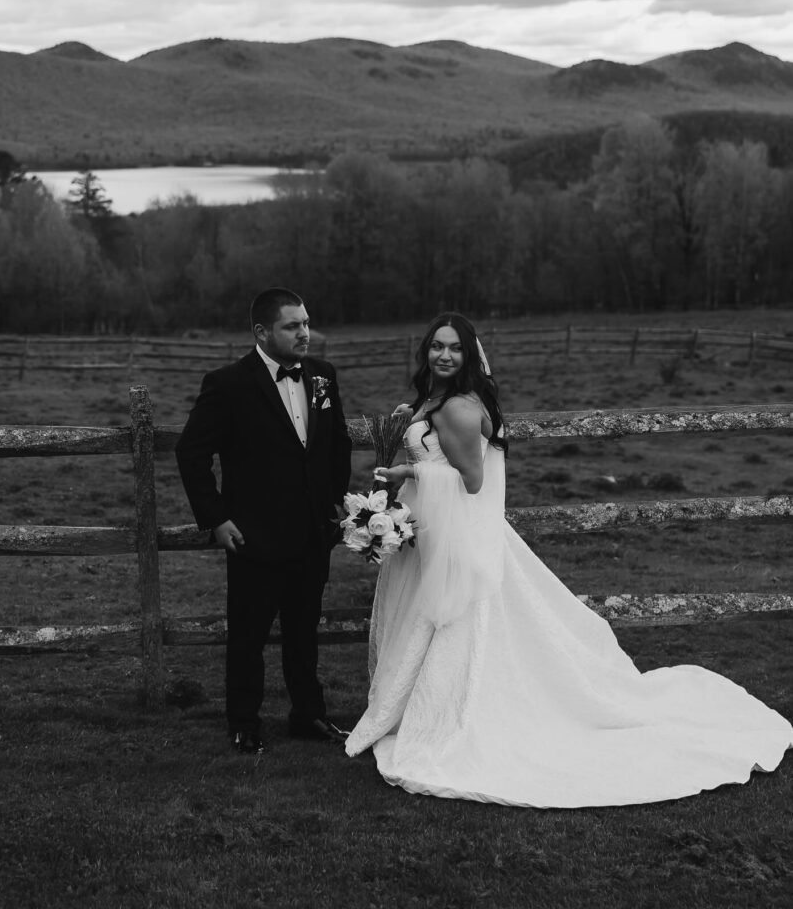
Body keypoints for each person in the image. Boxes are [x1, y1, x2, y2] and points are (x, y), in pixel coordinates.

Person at [345, 312, 793, 807]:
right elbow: (439, 454)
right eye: (437, 346)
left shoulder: (459, 408)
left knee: (460, 627)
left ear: (469, 355)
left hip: (455, 538)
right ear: (425, 350)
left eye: (455, 348)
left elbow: (471, 481)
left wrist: (409, 470)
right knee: (429, 624)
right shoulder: (433, 401)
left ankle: (460, 715)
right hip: (432, 532)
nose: (444, 355)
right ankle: (418, 708)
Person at [176, 288, 352, 754]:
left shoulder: (323, 376)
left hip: (312, 533)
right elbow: (191, 452)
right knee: (248, 635)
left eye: (306, 323)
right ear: (261, 332)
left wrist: (335, 505)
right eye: (292, 326)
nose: (304, 333)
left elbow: (336, 443)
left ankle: (308, 716)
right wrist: (216, 518)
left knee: (304, 632)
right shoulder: (227, 384)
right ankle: (243, 722)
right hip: (253, 536)